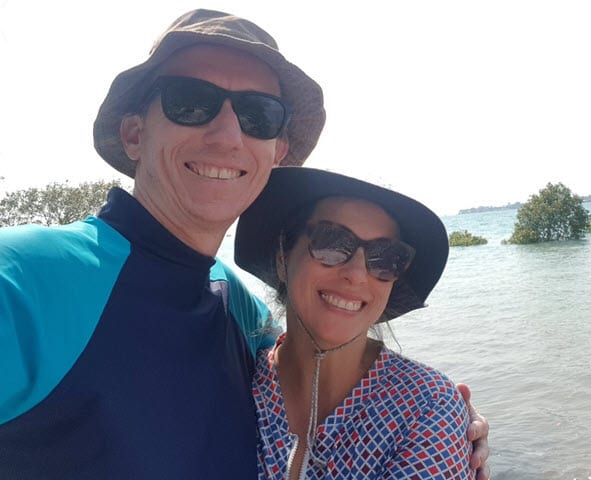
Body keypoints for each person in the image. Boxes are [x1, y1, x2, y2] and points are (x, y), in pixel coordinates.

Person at [0, 8, 489, 480]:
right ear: (134, 132)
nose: (228, 134)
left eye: (258, 115)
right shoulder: (22, 281)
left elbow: (313, 343)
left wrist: (444, 416)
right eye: (190, 102)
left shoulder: (236, 308)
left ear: (276, 154)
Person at [236, 166, 474, 479]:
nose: (357, 273)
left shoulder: (427, 407)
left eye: (385, 257)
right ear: (283, 256)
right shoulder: (237, 387)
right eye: (332, 243)